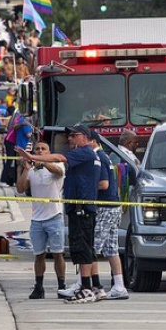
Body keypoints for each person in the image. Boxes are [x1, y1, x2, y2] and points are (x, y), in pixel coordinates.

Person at [18, 124, 101, 304]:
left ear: (85, 137)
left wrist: (32, 156)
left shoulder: (84, 152)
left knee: (82, 249)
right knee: (83, 249)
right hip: (74, 209)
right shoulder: (85, 155)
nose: (70, 139)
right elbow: (21, 187)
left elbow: (60, 159)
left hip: (80, 209)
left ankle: (86, 289)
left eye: (74, 135)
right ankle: (93, 287)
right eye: (69, 136)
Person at [16, 141, 67, 299]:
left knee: (58, 254)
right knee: (39, 255)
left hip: (54, 216)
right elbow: (20, 188)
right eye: (37, 149)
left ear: (48, 151)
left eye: (43, 149)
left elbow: (58, 172)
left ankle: (61, 286)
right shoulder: (32, 170)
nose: (39, 151)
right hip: (37, 219)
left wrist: (43, 162)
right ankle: (39, 286)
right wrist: (25, 169)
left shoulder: (55, 166)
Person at [88, 131, 129, 300]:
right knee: (111, 249)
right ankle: (119, 286)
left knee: (92, 247)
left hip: (106, 207)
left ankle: (84, 285)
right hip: (113, 206)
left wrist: (85, 186)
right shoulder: (103, 156)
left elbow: (103, 184)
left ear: (93, 142)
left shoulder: (99, 158)